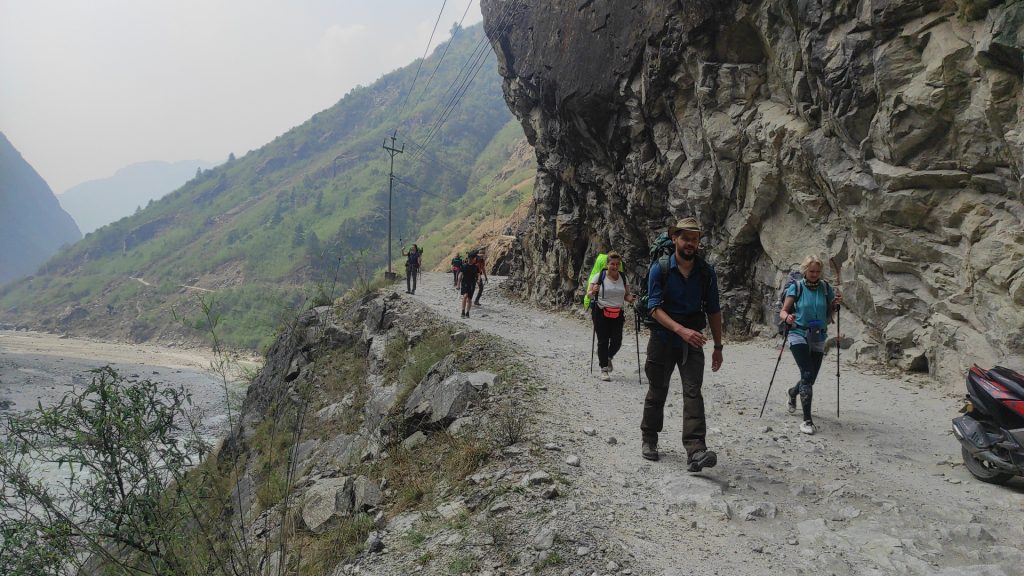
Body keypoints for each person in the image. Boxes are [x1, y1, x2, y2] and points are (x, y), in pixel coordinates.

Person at [641, 217, 723, 471]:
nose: (690, 243)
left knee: (693, 391)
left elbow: (714, 309)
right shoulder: (661, 268)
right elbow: (653, 307)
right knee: (658, 388)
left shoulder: (706, 272)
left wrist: (718, 347)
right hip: (663, 339)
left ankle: (696, 450)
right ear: (675, 238)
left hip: (692, 341)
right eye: (685, 238)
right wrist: (681, 331)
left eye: (695, 239)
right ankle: (649, 439)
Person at [779, 255, 843, 435]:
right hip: (798, 332)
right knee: (807, 373)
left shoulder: (825, 288)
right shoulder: (796, 287)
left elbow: (830, 311)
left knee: (811, 378)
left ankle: (792, 392)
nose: (814, 274)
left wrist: (836, 304)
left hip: (818, 334)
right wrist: (788, 317)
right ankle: (807, 421)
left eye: (817, 271)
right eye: (811, 271)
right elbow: (783, 311)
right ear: (805, 271)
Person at [587, 251, 635, 381]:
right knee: (603, 340)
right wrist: (593, 291)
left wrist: (631, 299)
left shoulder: (623, 277)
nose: (615, 266)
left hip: (617, 312)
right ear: (607, 264)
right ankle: (604, 369)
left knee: (617, 341)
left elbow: (626, 295)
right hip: (601, 311)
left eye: (617, 264)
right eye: (612, 264)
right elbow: (588, 295)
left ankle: (607, 357)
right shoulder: (599, 276)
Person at [460, 251, 481, 318]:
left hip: (472, 284)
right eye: (474, 258)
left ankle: (467, 312)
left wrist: (478, 280)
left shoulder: (475, 267)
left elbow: (478, 274)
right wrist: (458, 283)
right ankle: (463, 311)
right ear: (470, 258)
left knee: (469, 299)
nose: (475, 259)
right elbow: (460, 274)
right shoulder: (464, 266)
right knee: (465, 296)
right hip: (465, 282)